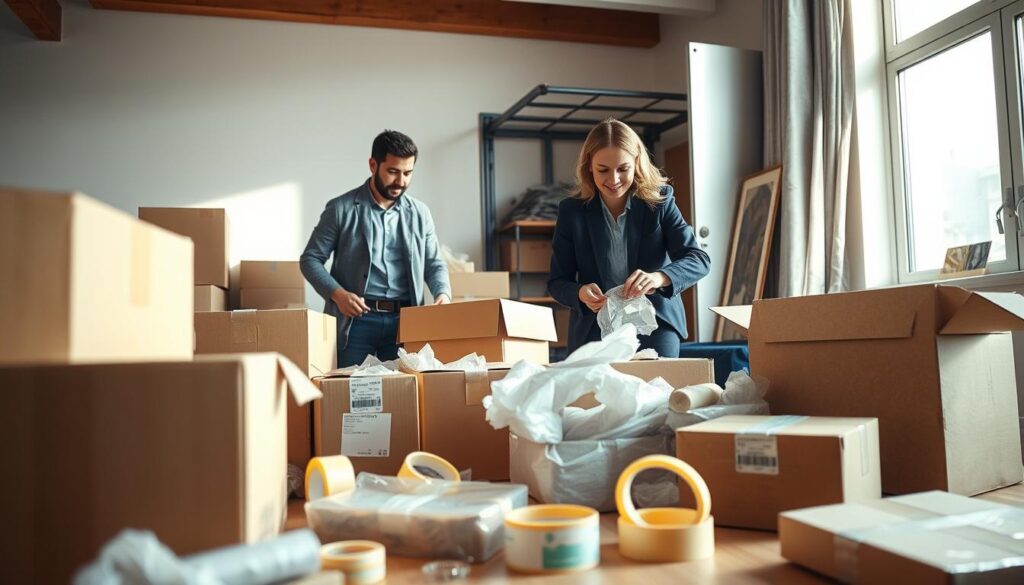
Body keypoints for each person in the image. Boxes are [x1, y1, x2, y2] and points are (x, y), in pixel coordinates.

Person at [548, 119, 710, 355]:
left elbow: (698, 259)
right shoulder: (571, 212)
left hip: (655, 322)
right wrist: (580, 293)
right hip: (595, 327)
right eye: (603, 170)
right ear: (589, 166)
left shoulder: (661, 201)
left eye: (623, 169)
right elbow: (557, 282)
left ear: (636, 163)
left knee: (657, 389)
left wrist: (659, 277)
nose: (613, 180)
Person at [300, 130, 451, 367]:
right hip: (356, 323)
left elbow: (434, 263)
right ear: (373, 165)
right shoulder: (341, 208)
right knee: (352, 396)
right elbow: (310, 259)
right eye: (393, 172)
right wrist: (338, 295)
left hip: (406, 323)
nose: (401, 181)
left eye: (408, 173)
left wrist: (442, 293)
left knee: (402, 395)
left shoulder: (421, 213)